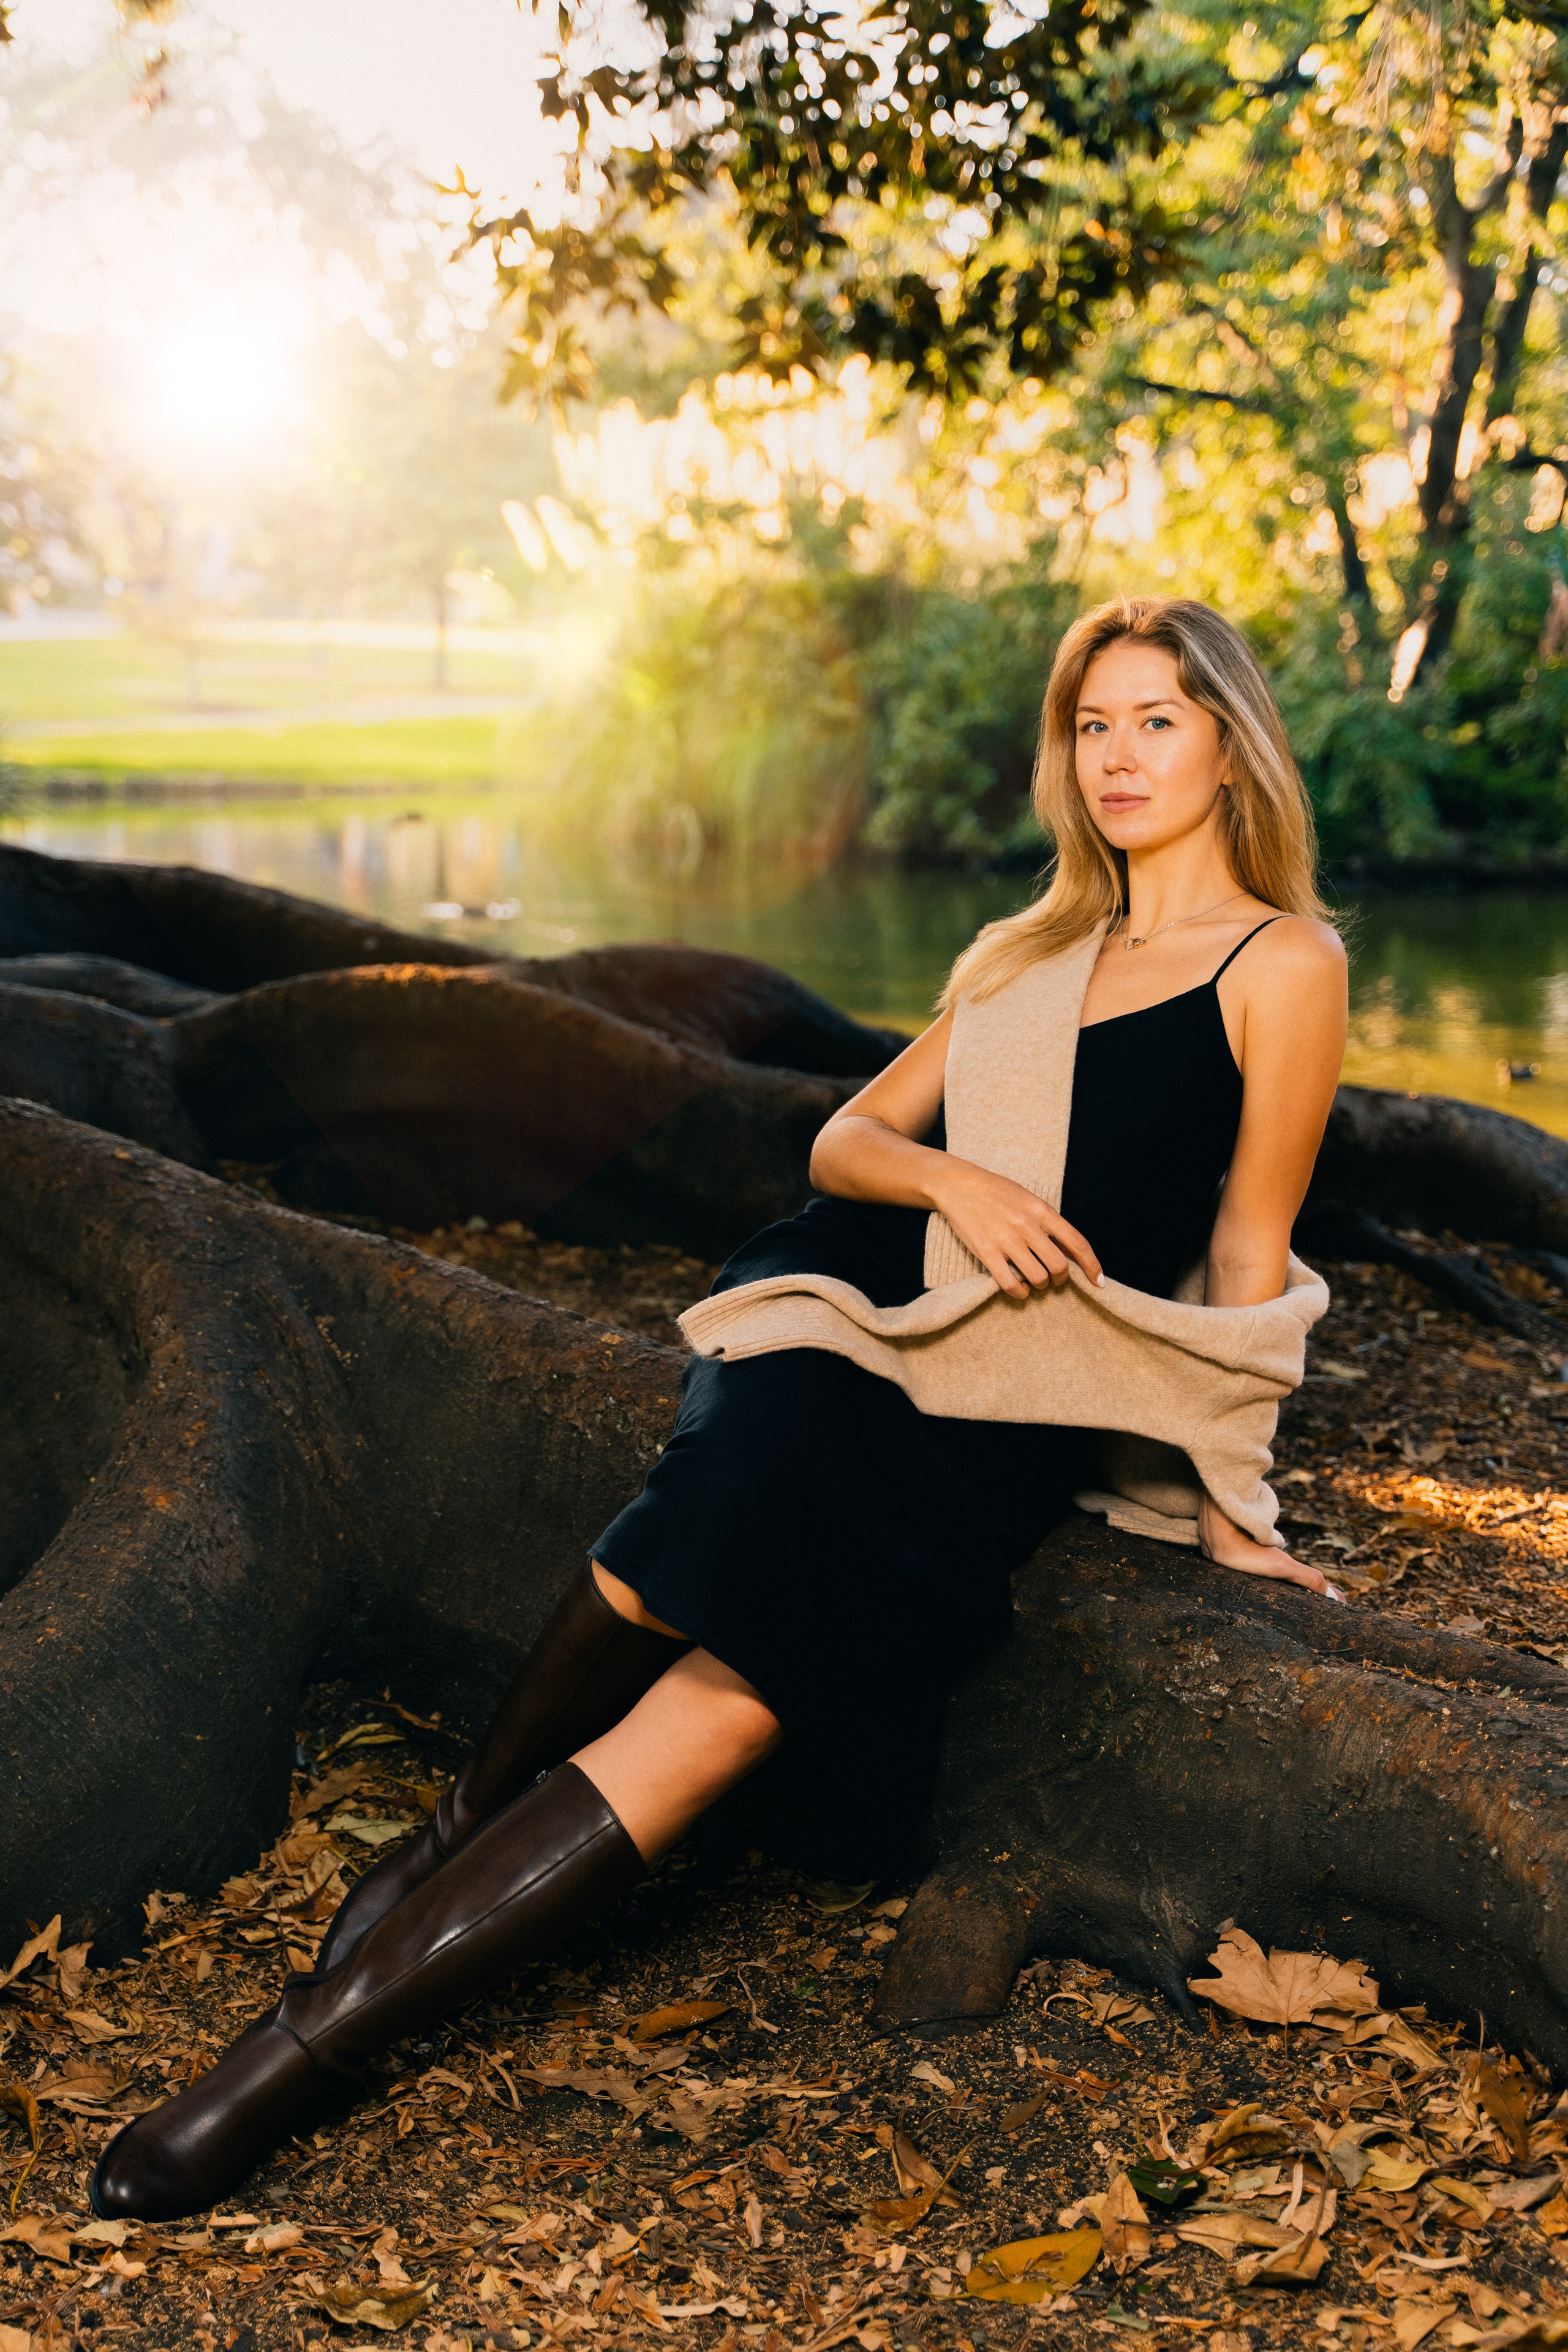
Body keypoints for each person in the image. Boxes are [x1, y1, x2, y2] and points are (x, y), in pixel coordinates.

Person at [91, 592, 1348, 2223]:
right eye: (1091, 727)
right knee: (728, 1491)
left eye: (1155, 723)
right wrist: (957, 1181)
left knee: (745, 1695)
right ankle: (466, 1817)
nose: (1117, 758)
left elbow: (1252, 1249)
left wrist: (1238, 1504)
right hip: (860, 1303)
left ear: (1229, 743)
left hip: (1018, 1391)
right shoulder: (1031, 951)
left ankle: (291, 2057)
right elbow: (846, 1147)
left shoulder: (1283, 962)